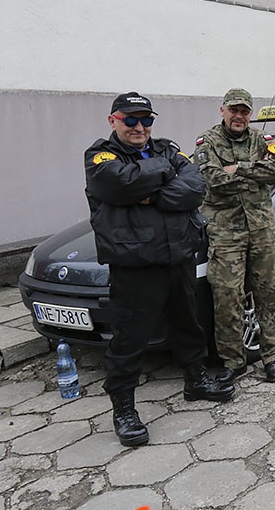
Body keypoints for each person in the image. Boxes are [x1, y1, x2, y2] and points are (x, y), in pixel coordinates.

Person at [85, 92, 234, 447]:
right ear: (113, 121)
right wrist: (163, 176)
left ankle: (196, 380)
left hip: (178, 255)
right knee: (130, 339)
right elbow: (120, 184)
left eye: (146, 120)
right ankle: (124, 409)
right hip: (135, 264)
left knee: (189, 323)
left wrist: (150, 192)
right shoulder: (100, 157)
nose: (139, 127)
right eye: (131, 120)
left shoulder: (168, 148)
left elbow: (196, 186)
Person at [195, 88, 275, 385]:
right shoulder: (207, 141)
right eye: (234, 110)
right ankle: (233, 362)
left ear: (251, 114)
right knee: (227, 297)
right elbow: (211, 178)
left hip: (262, 229)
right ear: (222, 110)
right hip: (226, 232)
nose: (239, 116)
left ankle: (272, 358)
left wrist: (239, 167)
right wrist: (254, 172)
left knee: (271, 294)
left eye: (245, 111)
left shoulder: (263, 140)